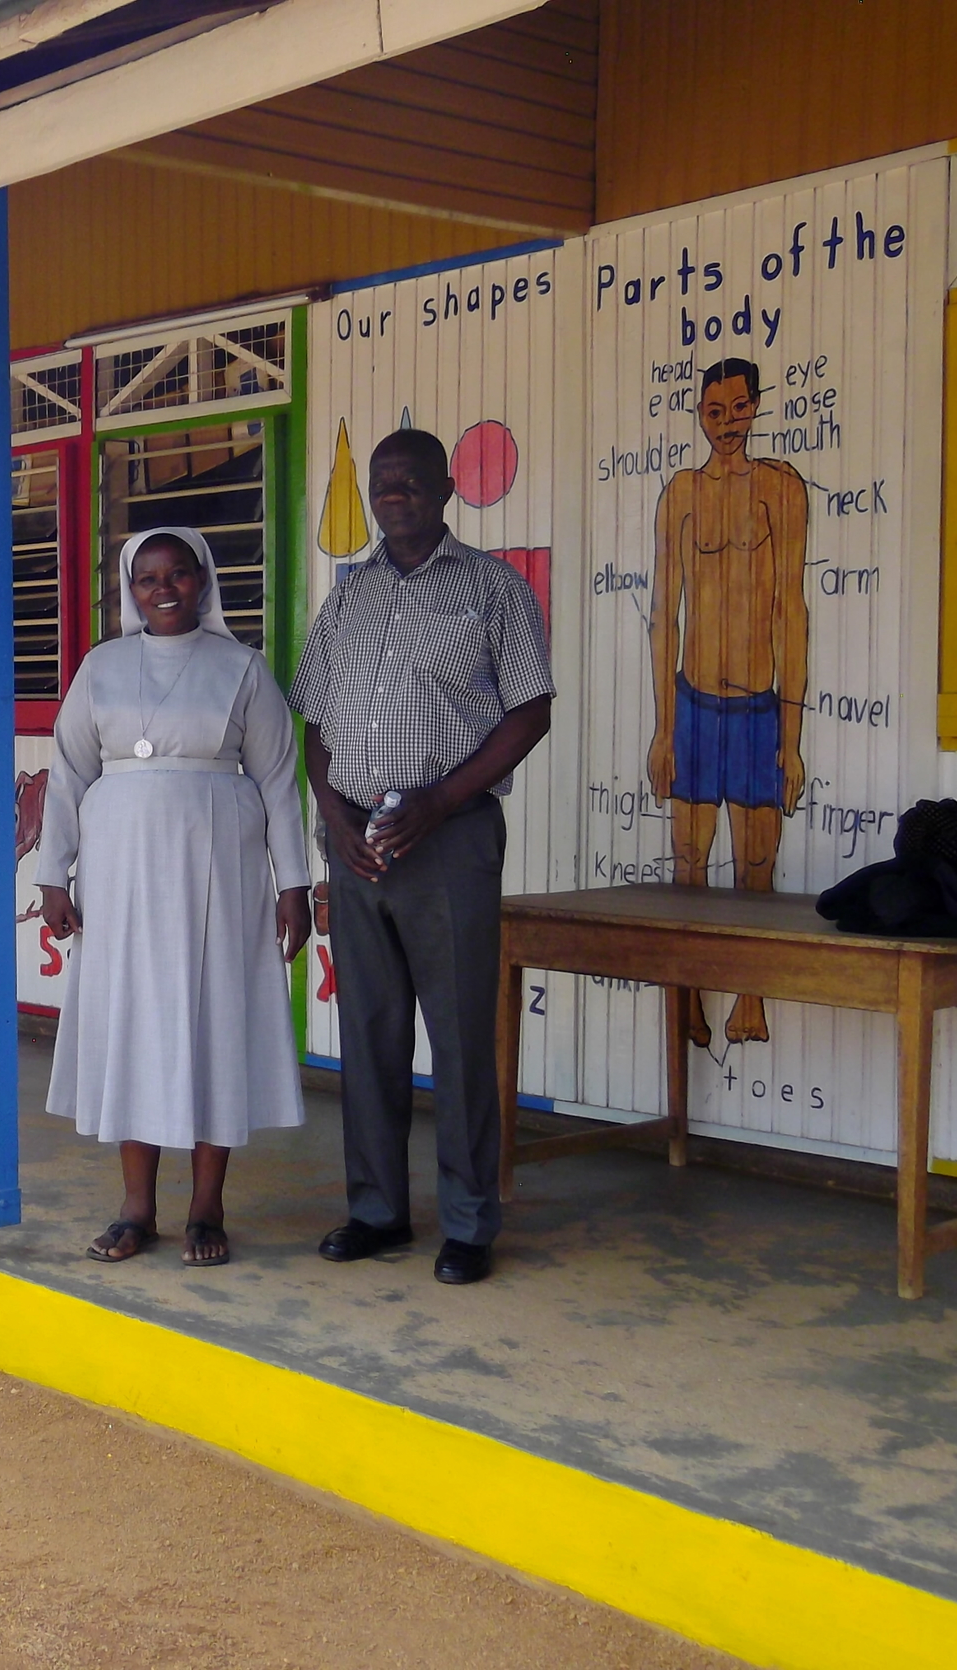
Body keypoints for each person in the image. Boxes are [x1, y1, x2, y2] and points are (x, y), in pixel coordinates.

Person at [292, 430, 553, 1285]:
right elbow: (316, 721)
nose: (393, 492)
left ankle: (471, 1223)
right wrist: (333, 821)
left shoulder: (491, 588)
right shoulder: (349, 598)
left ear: (447, 487)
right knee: (368, 1033)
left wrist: (441, 801)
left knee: (460, 1036)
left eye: (410, 480)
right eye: (382, 482)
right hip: (358, 844)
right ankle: (377, 1210)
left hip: (451, 836)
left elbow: (528, 713)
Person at [35, 527, 313, 1268]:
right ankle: (135, 1209)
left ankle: (205, 1207)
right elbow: (67, 775)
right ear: (130, 591)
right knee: (135, 1021)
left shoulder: (243, 669)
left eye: (179, 575)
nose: (164, 589)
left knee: (212, 1016)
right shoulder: (101, 667)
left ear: (203, 580)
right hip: (120, 876)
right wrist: (51, 874)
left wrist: (295, 884)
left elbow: (282, 783)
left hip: (217, 870)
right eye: (147, 578)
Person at [647, 357, 810, 1045]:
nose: (728, 425)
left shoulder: (781, 489)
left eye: (739, 409)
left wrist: (791, 738)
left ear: (756, 407)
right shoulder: (680, 493)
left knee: (757, 867)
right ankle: (687, 996)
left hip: (756, 709)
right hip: (693, 705)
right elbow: (665, 615)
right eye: (715, 413)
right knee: (689, 860)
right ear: (700, 416)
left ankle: (750, 999)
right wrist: (661, 731)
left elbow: (791, 610)